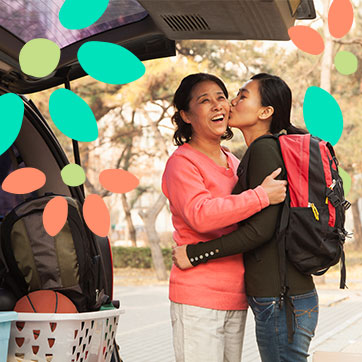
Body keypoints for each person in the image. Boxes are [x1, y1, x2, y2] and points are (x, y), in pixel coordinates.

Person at [172, 73, 318, 362]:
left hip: (238, 295)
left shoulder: (237, 160)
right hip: (199, 295)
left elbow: (260, 226)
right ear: (186, 115)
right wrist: (260, 196)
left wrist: (198, 252)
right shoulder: (182, 162)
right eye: (204, 100)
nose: (221, 105)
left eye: (221, 97)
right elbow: (201, 216)